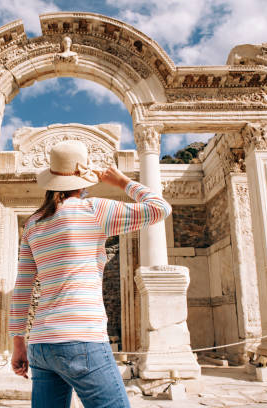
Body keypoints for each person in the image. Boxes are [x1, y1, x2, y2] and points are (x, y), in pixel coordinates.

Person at [9, 140, 171, 408]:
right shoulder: (95, 209)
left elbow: (22, 289)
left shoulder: (32, 224)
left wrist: (18, 343)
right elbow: (160, 208)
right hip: (82, 338)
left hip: (41, 344)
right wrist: (122, 182)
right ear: (83, 179)